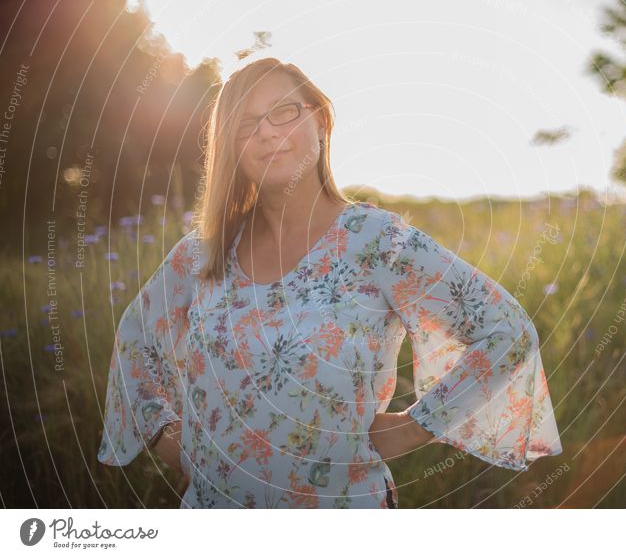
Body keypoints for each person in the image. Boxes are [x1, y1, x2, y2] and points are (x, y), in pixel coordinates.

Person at [96, 56, 563, 509]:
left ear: (320, 120)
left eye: (283, 111)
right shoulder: (200, 254)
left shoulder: (377, 241)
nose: (266, 133)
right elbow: (135, 338)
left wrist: (415, 426)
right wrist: (164, 433)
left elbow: (507, 332)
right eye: (246, 123)